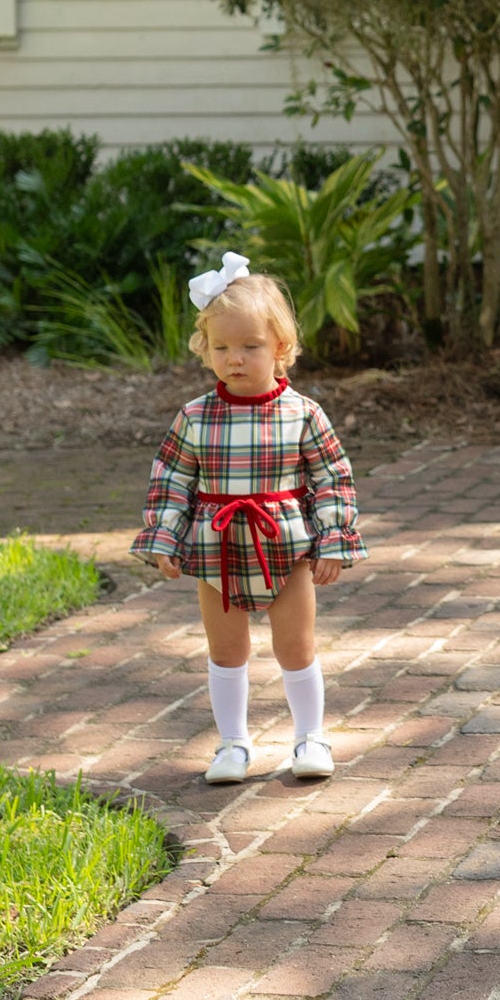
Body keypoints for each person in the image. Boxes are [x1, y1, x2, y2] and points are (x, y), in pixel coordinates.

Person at [133, 253, 363, 785]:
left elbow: (333, 477)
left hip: (284, 545)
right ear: (205, 349)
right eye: (222, 348)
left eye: (250, 347)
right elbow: (170, 480)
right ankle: (233, 744)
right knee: (227, 648)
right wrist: (165, 538)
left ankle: (310, 736)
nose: (235, 358)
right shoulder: (194, 417)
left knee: (295, 644)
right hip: (217, 548)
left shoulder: (302, 412)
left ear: (280, 348)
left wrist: (333, 539)